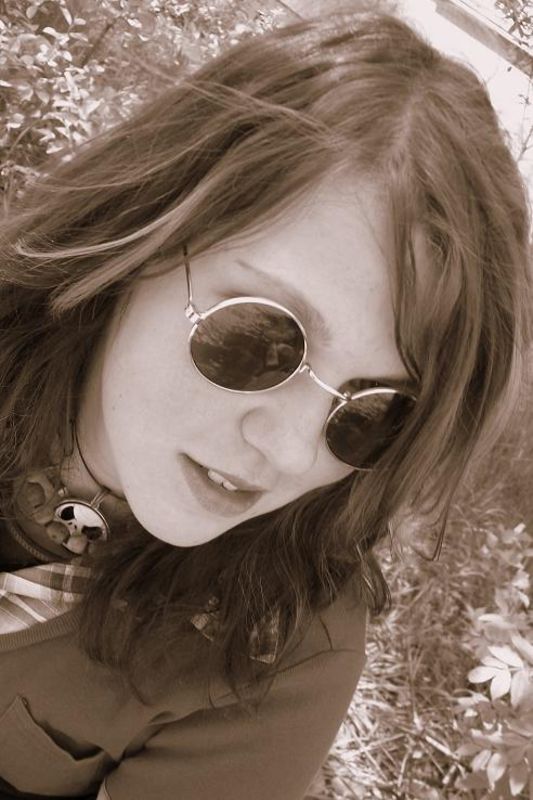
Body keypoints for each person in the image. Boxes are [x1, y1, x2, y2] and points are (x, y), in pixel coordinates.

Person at [0, 6, 530, 800]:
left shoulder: (281, 657)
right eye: (258, 339)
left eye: (373, 415)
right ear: (146, 232)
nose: (288, 450)